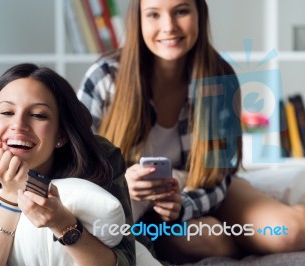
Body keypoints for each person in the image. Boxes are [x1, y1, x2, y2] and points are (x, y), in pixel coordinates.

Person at [78, 0, 305, 264]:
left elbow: (219, 177)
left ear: (200, 14)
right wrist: (123, 185)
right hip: (132, 200)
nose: (169, 27)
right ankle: (242, 237)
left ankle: (253, 227)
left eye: (181, 11)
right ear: (138, 21)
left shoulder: (219, 78)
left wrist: (184, 205)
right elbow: (79, 164)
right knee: (203, 241)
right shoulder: (105, 78)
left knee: (289, 234)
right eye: (153, 14)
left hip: (202, 185)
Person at [0, 63, 135, 265]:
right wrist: (11, 193)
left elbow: (126, 259)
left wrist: (62, 223)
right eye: (7, 112)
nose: (18, 125)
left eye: (38, 115)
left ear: (62, 134)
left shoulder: (101, 159)